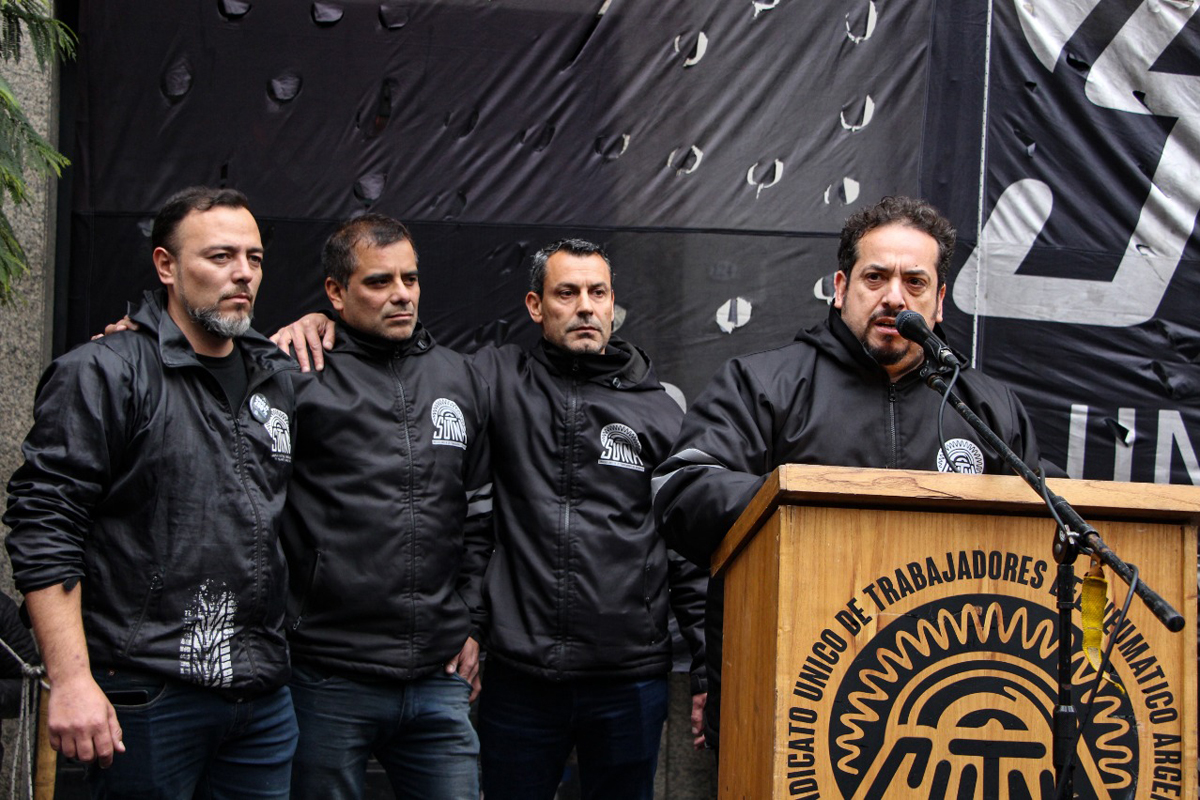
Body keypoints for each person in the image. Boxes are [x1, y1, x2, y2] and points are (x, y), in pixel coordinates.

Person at [276, 238, 707, 800]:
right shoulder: (490, 379)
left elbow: (688, 551)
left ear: (612, 302)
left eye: (597, 292)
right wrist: (321, 323)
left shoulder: (661, 406)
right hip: (521, 677)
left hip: (629, 676)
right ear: (535, 306)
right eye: (567, 293)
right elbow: (402, 360)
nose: (585, 306)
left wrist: (706, 669)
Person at [651, 195, 1043, 750]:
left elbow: (1043, 530)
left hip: (945, 713)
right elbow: (682, 491)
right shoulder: (762, 385)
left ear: (938, 302)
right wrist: (815, 512)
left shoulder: (988, 409)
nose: (893, 297)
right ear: (840, 288)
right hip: (788, 698)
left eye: (914, 282)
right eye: (875, 277)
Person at [4, 186, 299, 797]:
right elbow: (45, 524)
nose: (243, 273)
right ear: (166, 265)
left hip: (261, 698)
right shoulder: (105, 371)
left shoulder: (275, 376)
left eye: (254, 257)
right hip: (145, 694)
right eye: (219, 256)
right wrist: (71, 679)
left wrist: (321, 319)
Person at [282, 215, 491, 799]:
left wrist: (472, 623)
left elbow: (480, 517)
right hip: (327, 675)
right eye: (379, 281)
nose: (401, 294)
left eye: (410, 278)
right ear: (335, 292)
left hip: (438, 678)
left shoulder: (459, 377)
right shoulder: (296, 373)